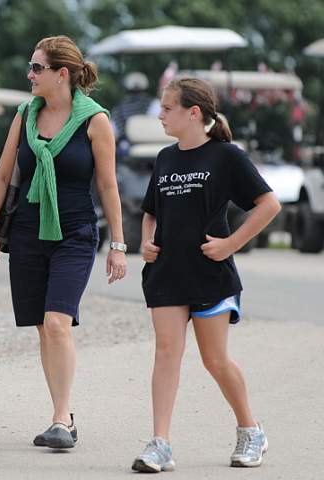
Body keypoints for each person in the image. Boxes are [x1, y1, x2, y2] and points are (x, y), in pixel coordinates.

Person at [0, 35, 127, 449]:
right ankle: (59, 411)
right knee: (44, 328)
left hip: (75, 234)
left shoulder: (95, 120)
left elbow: (108, 185)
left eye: (36, 68)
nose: (29, 74)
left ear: (62, 74)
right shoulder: (25, 114)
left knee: (59, 323)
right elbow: (4, 176)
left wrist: (118, 244)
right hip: (27, 233)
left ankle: (63, 419)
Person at [132, 77, 281, 472]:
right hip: (166, 272)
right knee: (167, 353)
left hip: (211, 274)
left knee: (215, 360)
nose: (160, 115)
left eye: (167, 108)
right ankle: (160, 443)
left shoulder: (226, 156)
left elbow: (269, 205)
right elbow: (150, 211)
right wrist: (146, 242)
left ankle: (251, 430)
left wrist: (231, 245)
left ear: (193, 112)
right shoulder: (165, 158)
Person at [111, 72, 153, 156]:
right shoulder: (154, 104)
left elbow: (114, 131)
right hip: (149, 143)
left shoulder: (119, 108)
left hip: (128, 143)